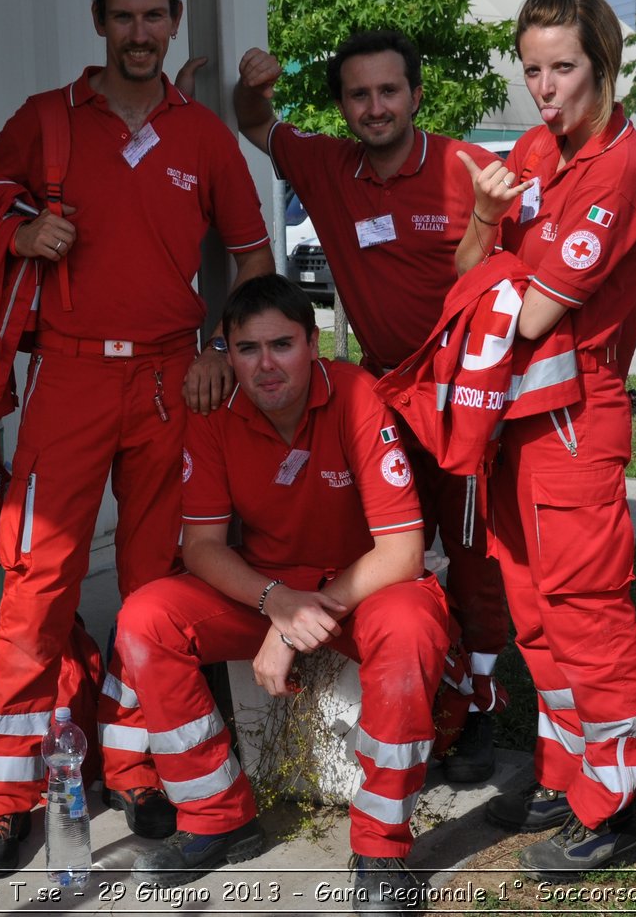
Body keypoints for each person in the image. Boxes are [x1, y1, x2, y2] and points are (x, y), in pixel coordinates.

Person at [0, 0, 274, 877]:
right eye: (123, 16)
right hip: (68, 376)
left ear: (173, 20)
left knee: (151, 586)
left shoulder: (204, 135)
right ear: (98, 21)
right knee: (36, 580)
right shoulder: (46, 121)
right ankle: (1, 796)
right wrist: (18, 234)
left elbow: (252, 262)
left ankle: (137, 764)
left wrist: (222, 348)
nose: (139, 34)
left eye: (154, 17)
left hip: (170, 380)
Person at [116, 274, 449, 911]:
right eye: (248, 349)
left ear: (314, 343)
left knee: (411, 627)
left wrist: (295, 616)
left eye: (283, 345)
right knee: (146, 618)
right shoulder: (217, 413)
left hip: (364, 590)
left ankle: (381, 849)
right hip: (272, 591)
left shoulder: (355, 396)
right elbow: (203, 547)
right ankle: (216, 818)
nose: (266, 365)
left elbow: (401, 552)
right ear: (228, 354)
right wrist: (276, 603)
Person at [232, 31, 506, 781]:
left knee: (476, 553)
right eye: (359, 94)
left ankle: (480, 707)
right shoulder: (324, 164)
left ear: (417, 95)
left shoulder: (467, 168)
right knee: (388, 551)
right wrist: (255, 85)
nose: (375, 106)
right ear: (342, 104)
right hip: (385, 392)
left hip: (465, 396)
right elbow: (252, 120)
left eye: (390, 91)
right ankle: (415, 688)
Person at [453, 0, 636, 876]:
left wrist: (494, 264)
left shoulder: (621, 166)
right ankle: (572, 773)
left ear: (603, 65)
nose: (544, 88)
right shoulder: (535, 148)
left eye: (563, 68)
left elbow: (531, 313)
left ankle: (618, 802)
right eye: (533, 69)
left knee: (586, 608)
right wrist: (486, 220)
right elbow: (465, 267)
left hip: (576, 413)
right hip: (514, 417)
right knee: (533, 612)